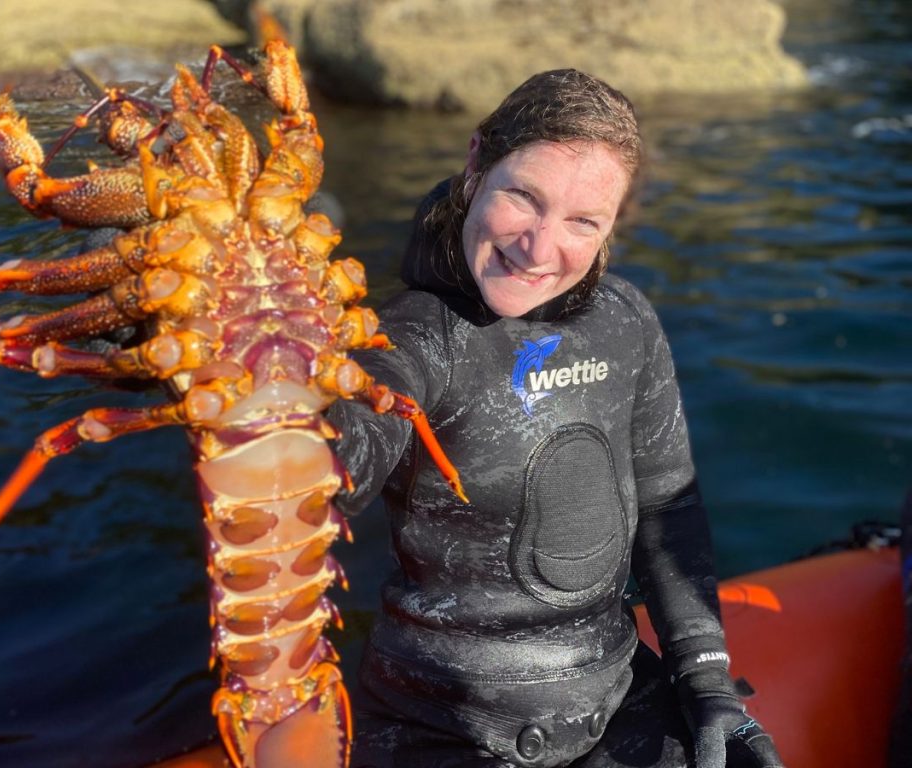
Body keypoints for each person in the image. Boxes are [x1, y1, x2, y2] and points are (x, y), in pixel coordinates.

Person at [328, 68, 784, 768]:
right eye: (522, 196)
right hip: (441, 722)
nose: (540, 249)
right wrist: (279, 405)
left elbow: (668, 507)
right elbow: (335, 472)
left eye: (583, 222)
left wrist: (706, 683)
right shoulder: (410, 337)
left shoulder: (626, 322)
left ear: (613, 225)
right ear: (477, 161)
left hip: (614, 697)